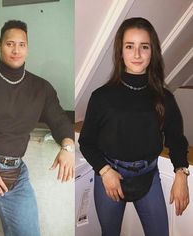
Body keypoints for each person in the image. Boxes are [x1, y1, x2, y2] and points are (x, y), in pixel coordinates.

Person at [0, 20, 74, 236]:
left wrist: (68, 147)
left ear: (28, 48)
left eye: (21, 44)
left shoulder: (41, 88)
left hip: (16, 173)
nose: (16, 50)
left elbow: (59, 121)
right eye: (10, 44)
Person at [79, 17, 189, 236]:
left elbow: (176, 138)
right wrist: (105, 171)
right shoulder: (101, 97)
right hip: (110, 177)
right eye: (130, 46)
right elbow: (86, 142)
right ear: (121, 51)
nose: (137, 54)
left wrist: (181, 174)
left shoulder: (164, 97)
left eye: (144, 47)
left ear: (152, 52)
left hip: (148, 177)